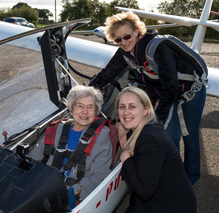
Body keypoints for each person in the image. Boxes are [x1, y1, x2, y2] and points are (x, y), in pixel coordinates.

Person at [88, 11, 206, 186]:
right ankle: (173, 173)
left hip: (190, 92)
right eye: (117, 39)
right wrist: (84, 93)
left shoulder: (157, 49)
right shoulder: (125, 53)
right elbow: (105, 75)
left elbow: (171, 88)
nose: (123, 42)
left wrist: (154, 119)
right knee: (169, 137)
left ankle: (191, 176)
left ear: (137, 31)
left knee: (188, 134)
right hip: (166, 93)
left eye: (127, 36)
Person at [111, 86, 200, 213]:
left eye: (132, 107)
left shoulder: (150, 140)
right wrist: (121, 125)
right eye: (122, 107)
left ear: (145, 110)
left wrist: (126, 159)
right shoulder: (150, 125)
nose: (126, 112)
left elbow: (145, 191)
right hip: (149, 207)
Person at [29, 85, 112, 201]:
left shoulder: (101, 135)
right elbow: (34, 157)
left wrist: (76, 190)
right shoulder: (57, 128)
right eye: (80, 106)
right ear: (71, 109)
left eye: (90, 107)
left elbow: (100, 175)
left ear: (96, 111)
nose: (85, 112)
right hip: (44, 184)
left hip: (72, 194)